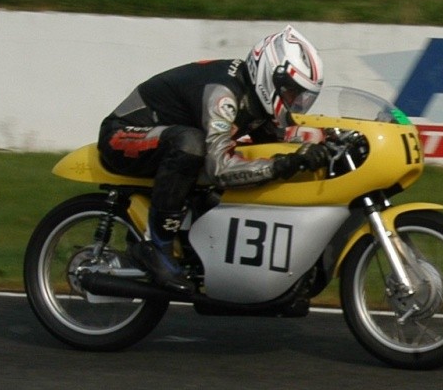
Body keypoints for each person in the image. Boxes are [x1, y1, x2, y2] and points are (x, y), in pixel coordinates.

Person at [98, 25, 329, 295]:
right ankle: (155, 246)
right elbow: (220, 169)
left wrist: (333, 139)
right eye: (291, 93)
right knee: (191, 144)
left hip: (165, 137)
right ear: (270, 76)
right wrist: (284, 164)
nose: (295, 102)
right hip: (122, 135)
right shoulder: (223, 95)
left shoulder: (254, 97)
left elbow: (287, 136)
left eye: (302, 97)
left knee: (218, 164)